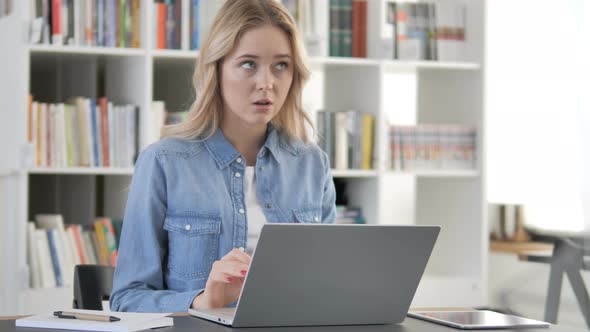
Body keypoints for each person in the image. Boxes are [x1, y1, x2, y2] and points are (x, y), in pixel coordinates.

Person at [110, 0, 336, 313]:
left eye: (281, 65)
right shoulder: (164, 162)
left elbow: (329, 286)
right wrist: (202, 301)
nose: (266, 83)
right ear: (216, 69)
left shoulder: (313, 165)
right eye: (248, 64)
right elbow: (126, 299)